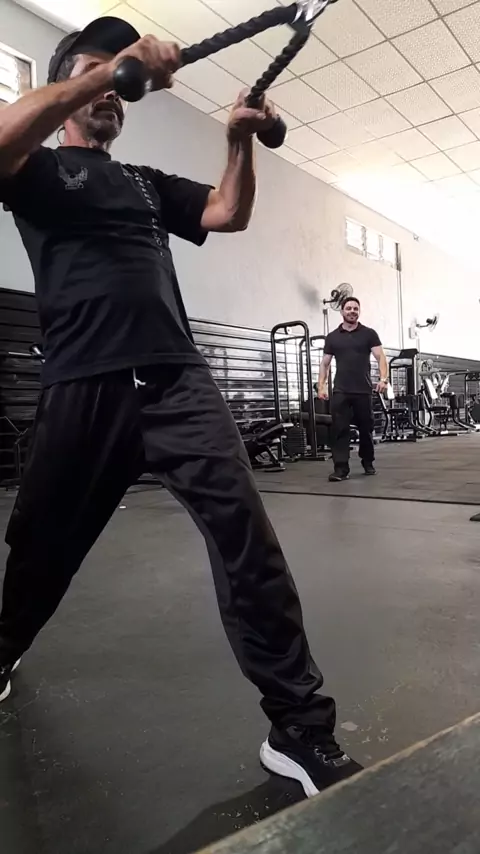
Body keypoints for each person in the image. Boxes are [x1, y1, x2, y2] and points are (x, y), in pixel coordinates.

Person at [0, 17, 362, 797]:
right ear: (65, 91)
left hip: (177, 383)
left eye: (116, 76)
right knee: (38, 553)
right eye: (92, 71)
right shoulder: (35, 168)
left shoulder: (142, 182)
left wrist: (237, 140)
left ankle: (300, 727)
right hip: (83, 386)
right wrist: (114, 70)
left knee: (249, 544)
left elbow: (228, 212)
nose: (110, 89)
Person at [318, 297, 388, 482]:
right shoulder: (333, 337)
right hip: (341, 390)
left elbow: (381, 357)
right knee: (339, 429)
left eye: (355, 308)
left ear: (359, 312)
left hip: (363, 390)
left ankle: (368, 461)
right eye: (348, 308)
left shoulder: (369, 334)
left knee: (366, 429)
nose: (352, 311)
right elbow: (325, 363)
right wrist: (321, 385)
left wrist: (383, 379)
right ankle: (341, 469)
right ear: (342, 311)